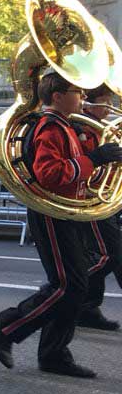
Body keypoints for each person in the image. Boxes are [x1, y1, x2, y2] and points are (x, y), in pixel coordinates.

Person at [0, 72, 122, 378]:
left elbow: (75, 170)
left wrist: (100, 162)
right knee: (68, 286)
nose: (82, 97)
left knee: (74, 286)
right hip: (51, 214)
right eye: (76, 91)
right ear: (58, 96)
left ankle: (53, 354)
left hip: (68, 213)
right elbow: (50, 174)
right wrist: (96, 158)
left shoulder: (66, 127)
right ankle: (7, 327)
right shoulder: (50, 127)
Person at [69, 84, 122, 332]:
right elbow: (86, 159)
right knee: (109, 254)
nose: (109, 104)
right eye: (105, 99)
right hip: (90, 197)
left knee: (106, 253)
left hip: (104, 196)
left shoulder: (97, 126)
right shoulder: (81, 126)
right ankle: (67, 293)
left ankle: (87, 307)